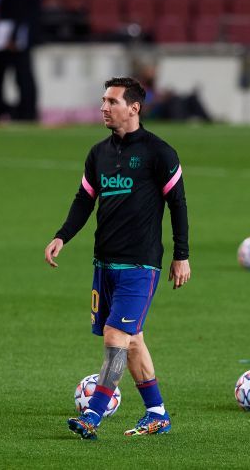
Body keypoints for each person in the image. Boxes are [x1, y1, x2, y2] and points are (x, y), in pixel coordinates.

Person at [44, 77, 190, 439]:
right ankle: (157, 413)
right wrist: (63, 236)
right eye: (103, 101)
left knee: (115, 334)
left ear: (134, 107)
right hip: (104, 263)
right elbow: (84, 199)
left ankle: (93, 415)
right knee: (133, 338)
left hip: (140, 265)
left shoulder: (160, 152)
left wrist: (181, 256)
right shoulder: (99, 153)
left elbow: (178, 204)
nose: (103, 107)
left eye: (111, 101)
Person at [0, 0, 43, 121]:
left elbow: (27, 13)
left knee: (24, 74)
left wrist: (16, 36)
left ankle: (29, 112)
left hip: (23, 35)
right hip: (18, 33)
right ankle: (25, 111)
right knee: (20, 74)